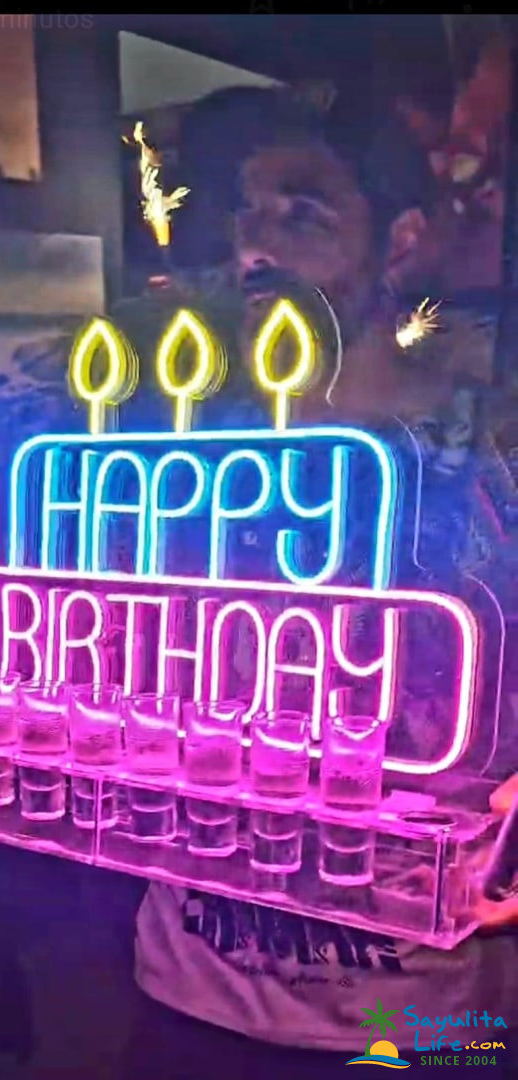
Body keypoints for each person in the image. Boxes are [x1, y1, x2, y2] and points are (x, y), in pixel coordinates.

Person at [124, 83, 518, 1077]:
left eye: (302, 213)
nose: (256, 245)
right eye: (245, 212)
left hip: (416, 1021)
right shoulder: (175, 462)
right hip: (188, 987)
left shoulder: (491, 461)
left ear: (400, 243)